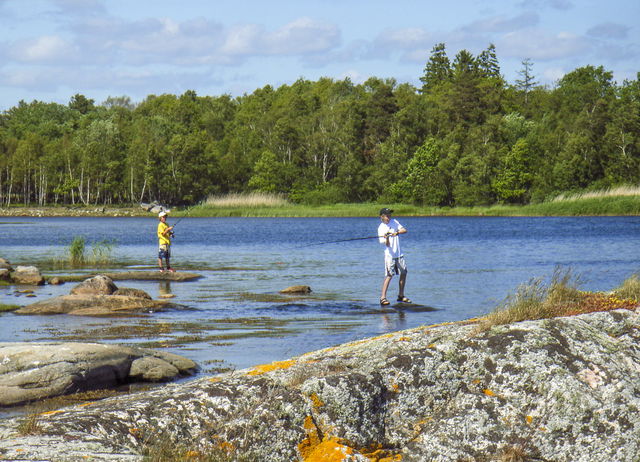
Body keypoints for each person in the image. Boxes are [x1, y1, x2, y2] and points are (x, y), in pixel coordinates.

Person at [377, 208, 410, 305]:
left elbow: (404, 230)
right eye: (387, 215)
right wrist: (387, 238)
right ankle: (383, 298)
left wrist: (397, 233)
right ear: (382, 216)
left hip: (399, 254)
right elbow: (386, 244)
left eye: (389, 215)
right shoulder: (381, 228)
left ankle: (401, 295)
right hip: (389, 255)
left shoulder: (394, 222)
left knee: (404, 272)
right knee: (389, 275)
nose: (389, 217)